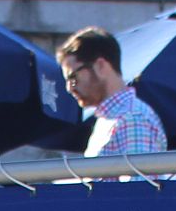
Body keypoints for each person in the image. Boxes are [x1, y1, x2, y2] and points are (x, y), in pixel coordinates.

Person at [58, 27, 167, 157]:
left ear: (100, 66)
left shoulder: (132, 118)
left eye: (73, 77)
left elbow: (138, 171)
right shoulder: (113, 118)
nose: (69, 88)